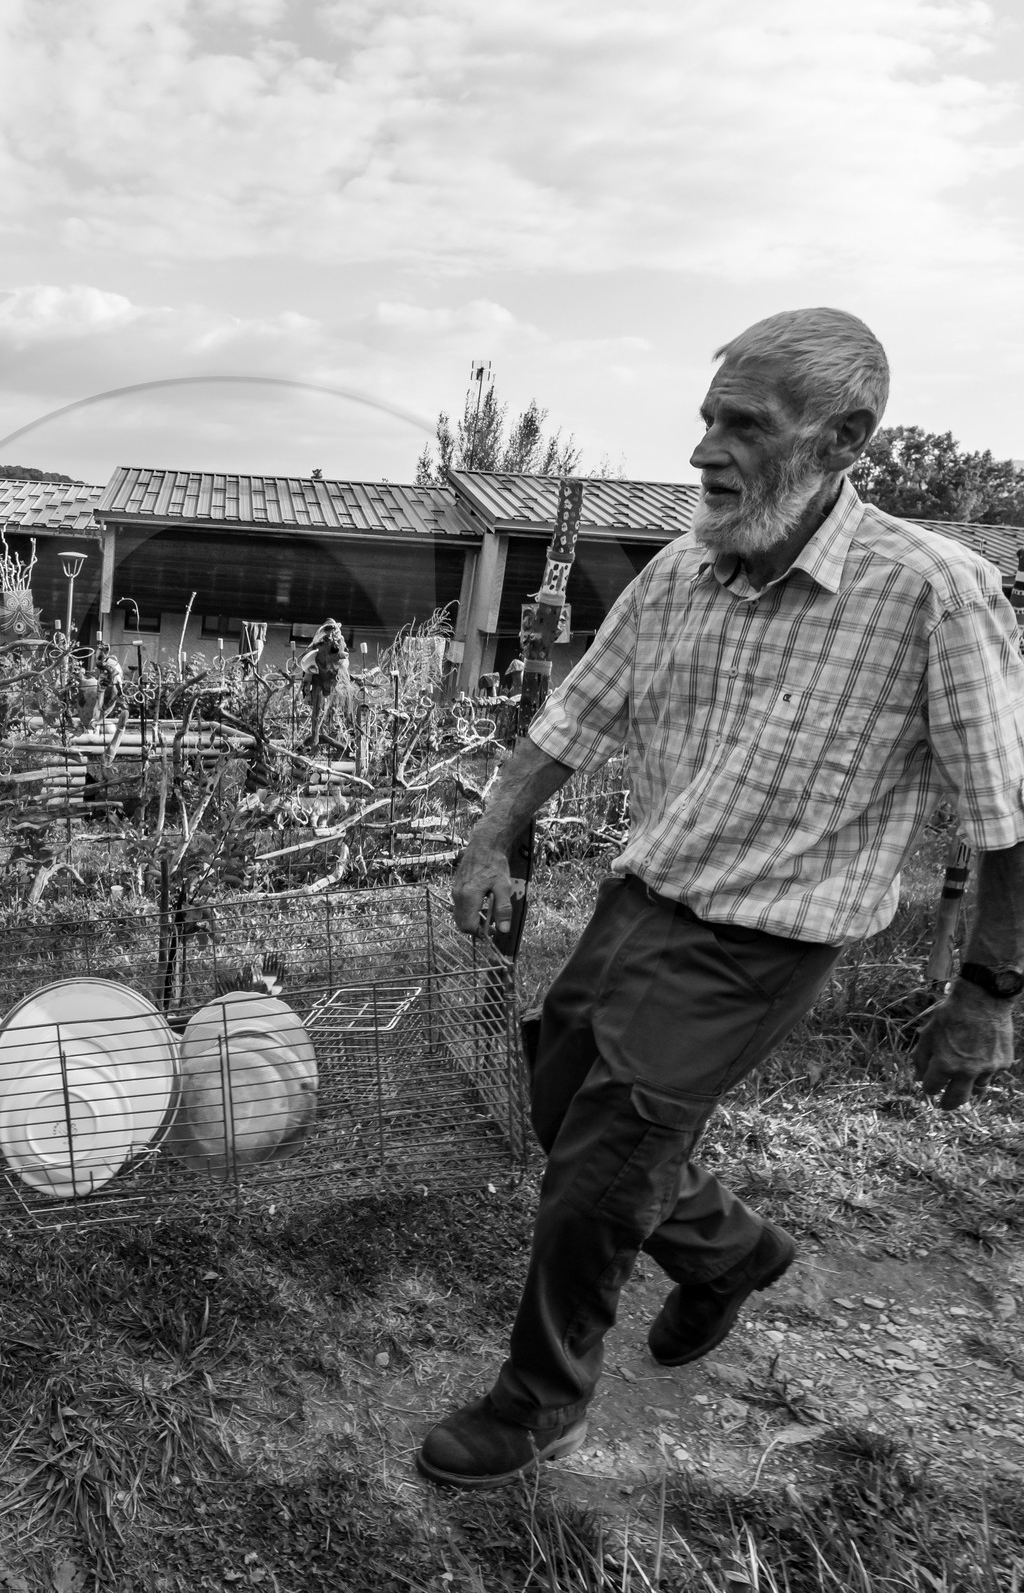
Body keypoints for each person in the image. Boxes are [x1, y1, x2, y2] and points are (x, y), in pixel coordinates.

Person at [420, 308, 1024, 1489]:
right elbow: (571, 719)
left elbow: (1009, 815)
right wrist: (490, 835)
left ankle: (538, 1400)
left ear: (843, 438)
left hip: (766, 939)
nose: (704, 450)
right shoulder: (684, 568)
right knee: (555, 1094)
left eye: (742, 424)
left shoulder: (932, 594)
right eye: (705, 418)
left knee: (599, 1167)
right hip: (645, 895)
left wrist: (988, 992)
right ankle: (729, 1253)